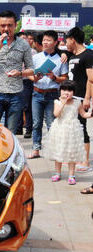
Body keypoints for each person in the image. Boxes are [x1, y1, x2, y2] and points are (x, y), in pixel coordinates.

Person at [0, 10, 34, 134]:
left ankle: (7, 153)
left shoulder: (24, 44)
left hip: (16, 94)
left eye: (9, 25)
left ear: (15, 25)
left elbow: (31, 69)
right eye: (2, 26)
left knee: (10, 132)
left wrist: (20, 73)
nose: (6, 28)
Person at [27, 30, 69, 159]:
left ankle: (53, 150)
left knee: (52, 123)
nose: (45, 42)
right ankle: (36, 149)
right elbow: (29, 74)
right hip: (37, 93)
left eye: (49, 40)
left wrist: (54, 78)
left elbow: (65, 78)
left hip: (52, 94)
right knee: (36, 123)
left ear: (55, 42)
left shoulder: (60, 59)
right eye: (44, 40)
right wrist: (34, 78)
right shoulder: (35, 57)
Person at [43, 80, 91, 185]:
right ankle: (57, 173)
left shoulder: (77, 102)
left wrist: (90, 114)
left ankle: (71, 175)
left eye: (69, 90)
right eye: (64, 90)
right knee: (58, 151)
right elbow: (56, 114)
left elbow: (83, 114)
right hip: (60, 129)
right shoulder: (57, 102)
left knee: (71, 153)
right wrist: (63, 103)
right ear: (60, 91)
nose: (66, 92)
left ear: (74, 92)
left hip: (73, 130)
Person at [65, 27, 93, 174]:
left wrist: (87, 97)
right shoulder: (72, 56)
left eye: (67, 40)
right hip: (71, 98)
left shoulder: (88, 55)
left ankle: (86, 161)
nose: (65, 43)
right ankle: (76, 157)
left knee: (81, 128)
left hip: (82, 98)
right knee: (73, 128)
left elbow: (91, 79)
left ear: (73, 40)